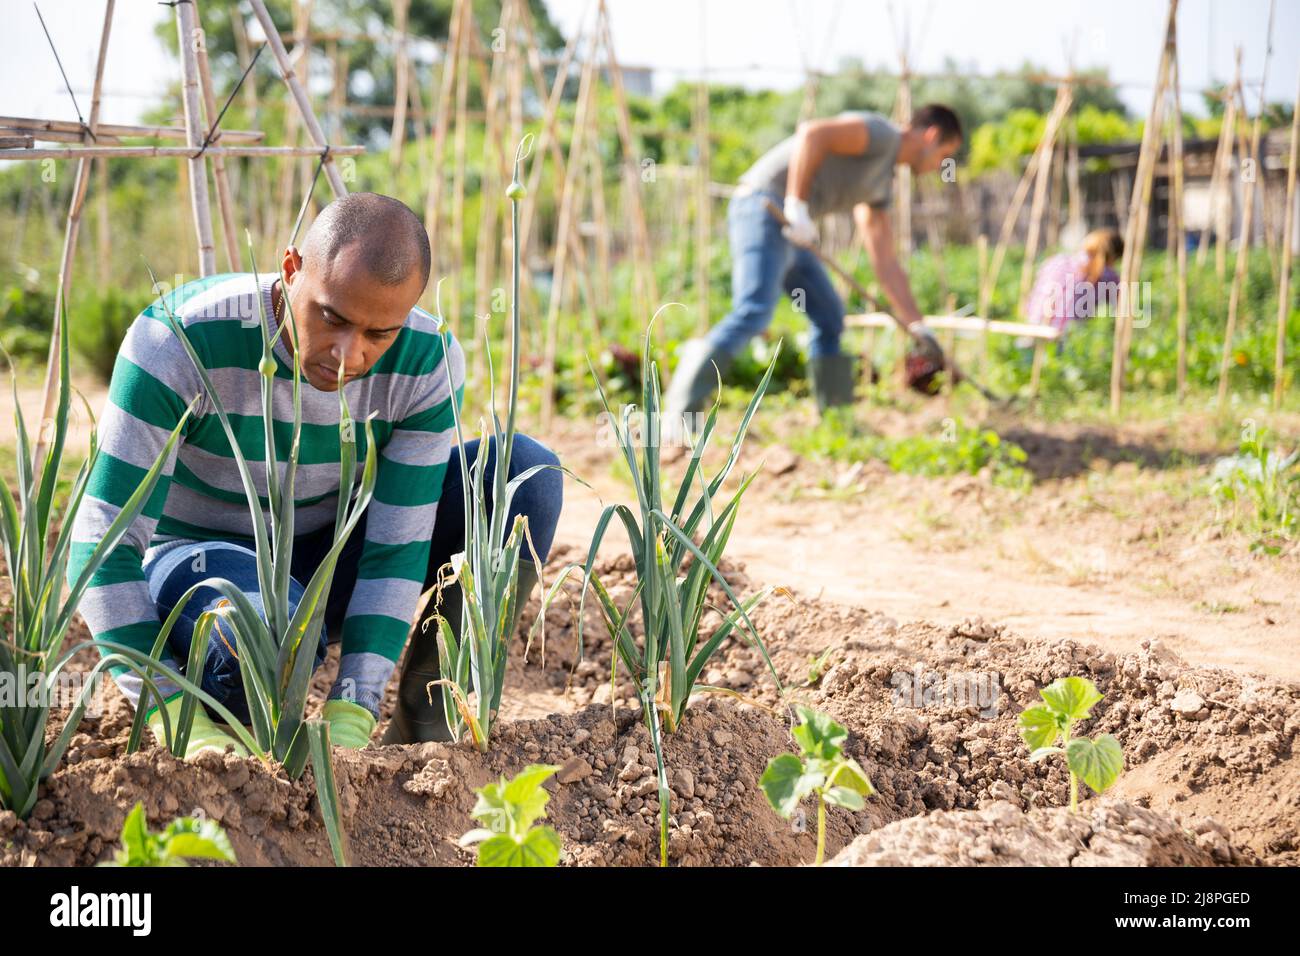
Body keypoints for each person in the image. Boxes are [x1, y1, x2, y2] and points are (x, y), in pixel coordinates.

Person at [66, 192, 563, 756]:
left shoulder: (427, 358)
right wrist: (165, 708)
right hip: (198, 557)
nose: (349, 354)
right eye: (332, 318)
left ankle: (428, 733)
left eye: (380, 334)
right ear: (291, 269)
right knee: (254, 641)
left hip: (329, 555)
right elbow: (102, 536)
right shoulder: (179, 340)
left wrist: (355, 704)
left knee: (525, 475)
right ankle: (222, 708)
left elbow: (397, 546)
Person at [665, 103, 962, 424]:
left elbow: (885, 261)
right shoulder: (881, 135)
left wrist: (918, 325)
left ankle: (835, 420)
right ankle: (676, 418)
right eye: (945, 153)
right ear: (931, 135)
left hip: (795, 228)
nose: (941, 165)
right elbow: (813, 134)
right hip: (765, 207)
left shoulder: (880, 182)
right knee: (753, 311)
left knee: (829, 316)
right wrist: (796, 205)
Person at [1022, 228, 1124, 342]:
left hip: (1033, 328)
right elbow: (1116, 312)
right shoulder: (1108, 276)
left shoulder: (1058, 261)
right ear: (1115, 257)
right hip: (1069, 337)